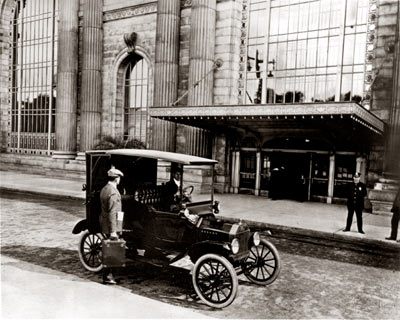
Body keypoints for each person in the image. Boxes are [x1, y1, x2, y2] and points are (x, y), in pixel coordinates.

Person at [99, 167, 124, 285]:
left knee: (111, 250)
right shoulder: (113, 192)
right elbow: (112, 213)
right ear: (116, 179)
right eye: (119, 178)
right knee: (112, 251)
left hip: (106, 223)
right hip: (112, 226)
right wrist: (113, 231)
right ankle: (108, 277)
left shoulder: (105, 189)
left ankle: (110, 275)